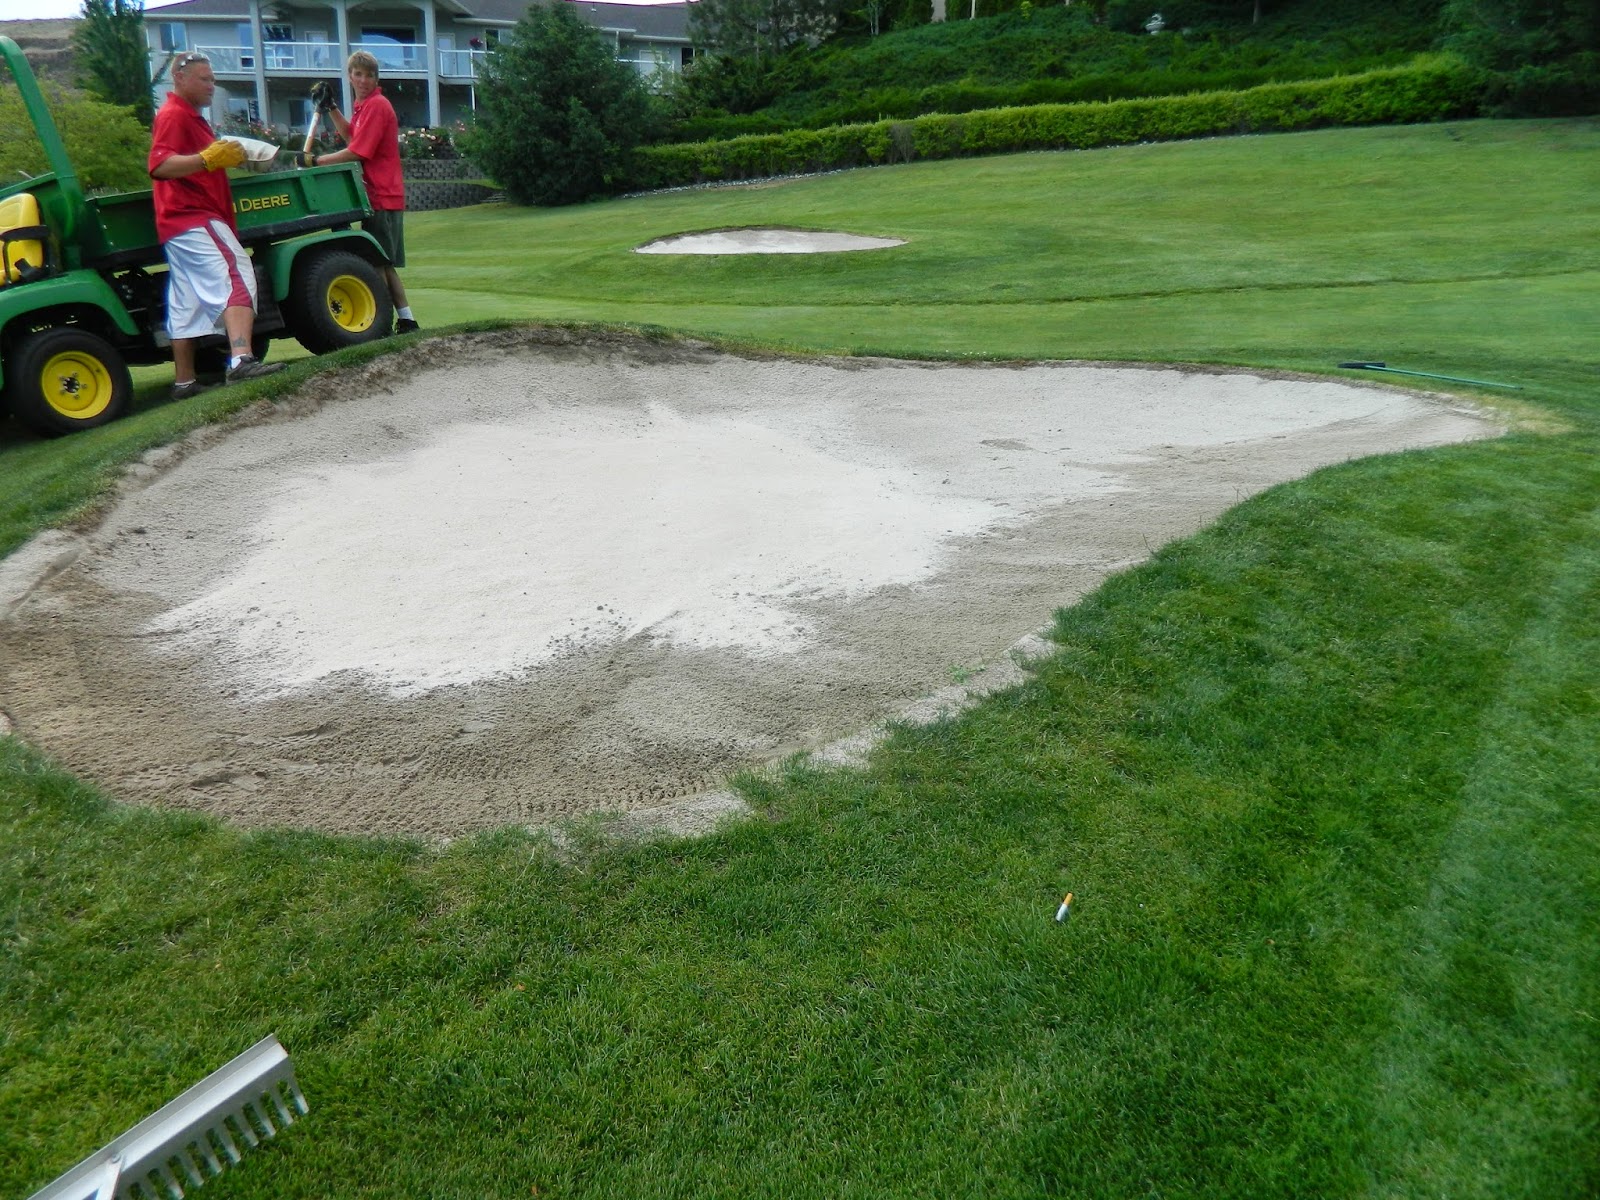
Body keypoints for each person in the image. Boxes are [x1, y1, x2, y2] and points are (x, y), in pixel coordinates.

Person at [148, 51, 285, 400]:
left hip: (178, 223)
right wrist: (205, 159)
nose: (212, 85)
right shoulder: (174, 114)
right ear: (180, 78)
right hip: (193, 215)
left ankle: (184, 381)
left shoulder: (190, 117)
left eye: (213, 79)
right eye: (204, 79)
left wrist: (222, 157)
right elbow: (160, 165)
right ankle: (241, 361)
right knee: (237, 275)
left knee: (186, 300)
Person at [302, 53, 419, 335]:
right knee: (383, 262)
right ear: (350, 76)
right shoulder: (363, 106)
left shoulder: (377, 105)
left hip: (382, 193)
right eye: (358, 74)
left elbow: (358, 152)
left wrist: (315, 161)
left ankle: (380, 324)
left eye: (369, 75)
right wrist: (331, 108)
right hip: (379, 193)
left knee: (375, 263)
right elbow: (353, 136)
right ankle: (406, 319)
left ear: (376, 78)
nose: (364, 80)